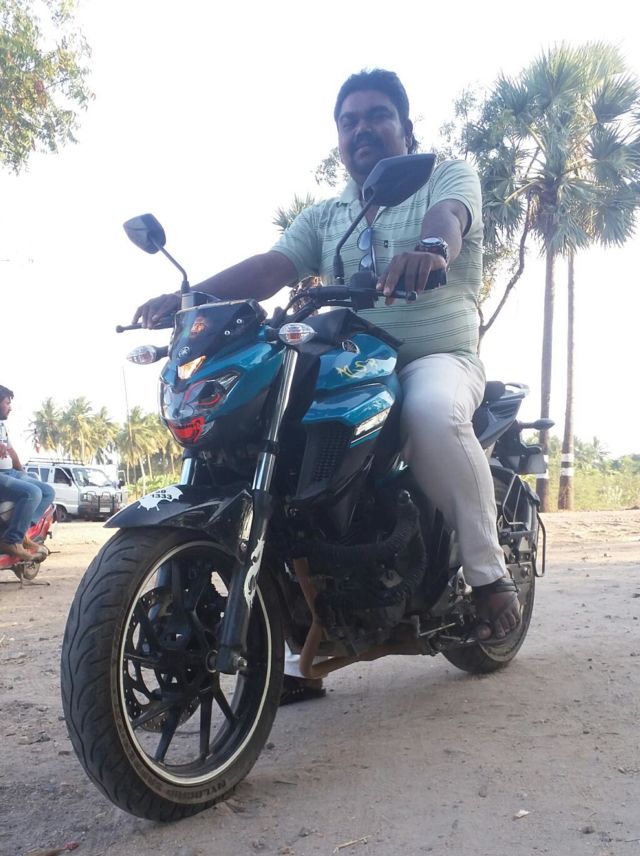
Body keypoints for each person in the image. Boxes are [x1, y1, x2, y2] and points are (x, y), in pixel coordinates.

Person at [133, 68, 521, 701]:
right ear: (338, 138)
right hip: (353, 358)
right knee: (278, 447)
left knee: (429, 415)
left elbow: (451, 217)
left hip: (433, 356)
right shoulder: (331, 214)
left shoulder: (443, 176)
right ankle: (295, 642)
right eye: (349, 121)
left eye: (377, 116)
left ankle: (489, 577)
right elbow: (272, 267)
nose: (361, 129)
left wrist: (432, 247)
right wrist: (190, 296)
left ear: (405, 127)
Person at [0, 385, 55, 561]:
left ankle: (21, 532)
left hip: (9, 472)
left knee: (47, 491)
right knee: (32, 493)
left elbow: (11, 451)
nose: (10, 407)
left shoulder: (2, 426)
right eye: (7, 403)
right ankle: (12, 541)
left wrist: (22, 472)